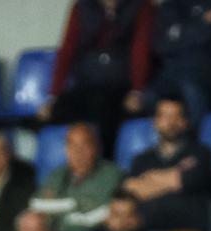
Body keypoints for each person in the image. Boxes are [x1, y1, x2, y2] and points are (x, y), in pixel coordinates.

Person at [43, 0, 156, 151]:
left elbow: (141, 49)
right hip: (87, 86)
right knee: (55, 112)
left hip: (122, 87)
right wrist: (53, 96)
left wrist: (137, 91)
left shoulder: (142, 6)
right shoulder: (81, 7)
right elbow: (67, 51)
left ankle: (104, 166)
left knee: (106, 116)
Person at [121, 95, 211, 231]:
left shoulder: (201, 153)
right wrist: (174, 177)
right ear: (155, 122)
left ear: (185, 122)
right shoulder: (142, 159)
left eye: (176, 116)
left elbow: (185, 181)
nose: (170, 122)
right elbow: (132, 189)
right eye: (164, 116)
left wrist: (149, 179)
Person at [29, 121, 120, 231]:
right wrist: (75, 204)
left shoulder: (112, 175)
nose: (78, 152)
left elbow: (98, 215)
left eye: (84, 145)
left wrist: (59, 207)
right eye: (72, 145)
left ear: (95, 147)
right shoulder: (57, 174)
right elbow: (37, 205)